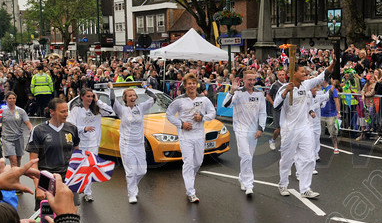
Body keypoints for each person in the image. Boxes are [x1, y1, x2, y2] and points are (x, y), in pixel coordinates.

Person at [274, 57, 337, 198]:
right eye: (302, 72)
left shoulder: (306, 85)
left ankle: (305, 189)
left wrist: (333, 63)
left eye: (305, 72)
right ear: (293, 73)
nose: (305, 74)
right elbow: (276, 106)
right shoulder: (284, 89)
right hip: (289, 129)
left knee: (309, 159)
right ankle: (283, 185)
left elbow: (322, 76)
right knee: (287, 159)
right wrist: (285, 93)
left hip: (304, 127)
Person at [166, 75, 215, 203]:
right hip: (185, 135)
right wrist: (181, 124)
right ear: (185, 85)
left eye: (194, 83)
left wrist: (202, 117)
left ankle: (189, 181)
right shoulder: (179, 100)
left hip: (199, 135)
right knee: (188, 162)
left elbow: (212, 113)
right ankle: (190, 192)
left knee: (198, 162)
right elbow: (169, 114)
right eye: (189, 83)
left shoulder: (203, 99)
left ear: (196, 85)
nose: (192, 86)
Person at [27, 98, 80, 207]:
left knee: (70, 217)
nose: (66, 114)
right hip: (47, 178)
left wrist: (79, 179)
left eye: (67, 111)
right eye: (62, 111)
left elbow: (77, 155)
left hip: (68, 178)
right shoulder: (39, 131)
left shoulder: (72, 129)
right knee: (47, 220)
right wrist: (39, 187)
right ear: (52, 112)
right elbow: (33, 162)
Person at [109, 83, 157, 204]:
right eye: (130, 95)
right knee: (131, 171)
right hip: (126, 144)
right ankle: (132, 194)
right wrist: (111, 88)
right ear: (125, 98)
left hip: (139, 144)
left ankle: (133, 186)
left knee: (142, 171)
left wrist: (145, 88)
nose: (132, 97)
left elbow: (154, 98)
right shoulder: (121, 109)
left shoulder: (141, 107)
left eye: (134, 95)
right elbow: (112, 99)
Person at [222, 71, 266, 197]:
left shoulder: (259, 93)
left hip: (253, 130)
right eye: (249, 80)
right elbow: (225, 105)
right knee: (246, 155)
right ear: (244, 80)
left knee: (248, 157)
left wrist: (261, 128)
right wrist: (231, 91)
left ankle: (242, 177)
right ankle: (249, 184)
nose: (252, 82)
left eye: (253, 80)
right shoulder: (238, 92)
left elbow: (263, 112)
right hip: (240, 129)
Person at [67, 88, 113, 202]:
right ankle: (75, 188)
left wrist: (98, 102)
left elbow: (111, 111)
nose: (90, 99)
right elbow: (70, 126)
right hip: (81, 143)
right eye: (88, 96)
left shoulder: (96, 109)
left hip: (93, 144)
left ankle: (88, 192)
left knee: (90, 167)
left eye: (92, 96)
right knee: (78, 168)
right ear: (81, 97)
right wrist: (84, 129)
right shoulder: (76, 110)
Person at [0, 91, 32, 169]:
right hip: (7, 139)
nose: (12, 100)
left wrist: (31, 129)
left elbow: (27, 123)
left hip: (19, 138)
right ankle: (13, 178)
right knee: (13, 160)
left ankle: (16, 176)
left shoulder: (21, 111)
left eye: (13, 98)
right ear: (6, 99)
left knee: (18, 160)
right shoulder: (1, 112)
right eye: (10, 98)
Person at [267, 69, 288, 151]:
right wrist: (274, 103)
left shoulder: (287, 85)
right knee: (278, 129)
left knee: (285, 128)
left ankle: (282, 145)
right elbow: (268, 96)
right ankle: (272, 140)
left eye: (283, 74)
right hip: (277, 110)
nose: (282, 76)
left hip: (285, 109)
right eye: (280, 75)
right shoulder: (275, 85)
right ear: (277, 76)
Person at [319, 79, 341, 153]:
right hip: (321, 114)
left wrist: (338, 112)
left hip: (331, 114)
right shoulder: (319, 89)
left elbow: (336, 101)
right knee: (318, 132)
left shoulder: (332, 88)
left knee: (333, 132)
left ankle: (335, 147)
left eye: (320, 80)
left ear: (324, 81)